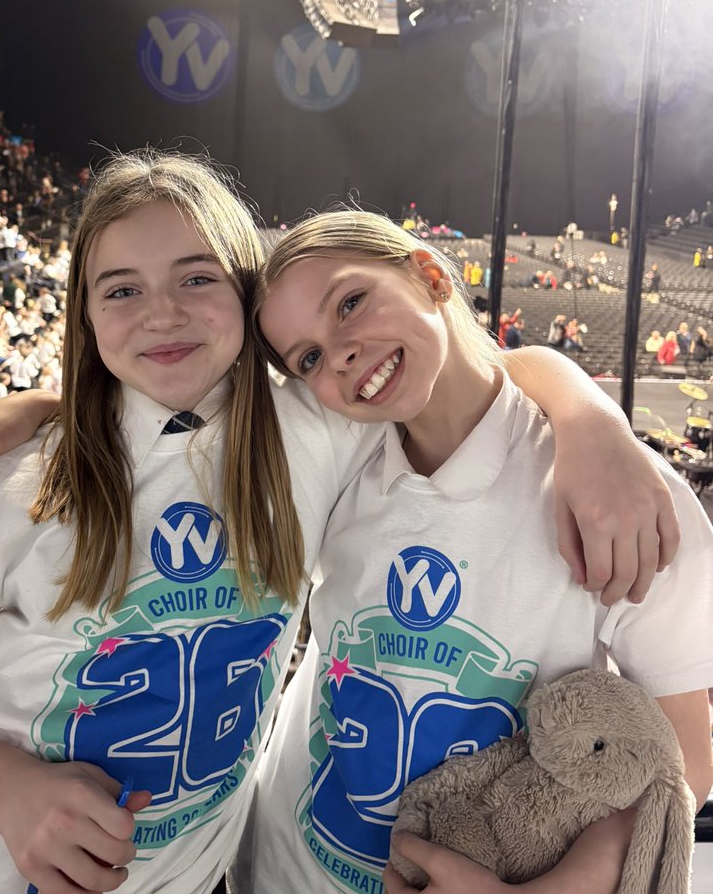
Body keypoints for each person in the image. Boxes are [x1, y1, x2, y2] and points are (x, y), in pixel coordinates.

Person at [0, 155, 679, 894]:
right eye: (305, 357)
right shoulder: (24, 480)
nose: (338, 358)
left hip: (211, 869)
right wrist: (54, 409)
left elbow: (455, 372)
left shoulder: (324, 431)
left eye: (197, 278)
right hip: (204, 867)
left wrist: (591, 420)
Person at [239, 210, 713, 894]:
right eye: (307, 357)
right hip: (286, 864)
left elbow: (682, 762)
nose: (338, 351)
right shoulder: (336, 452)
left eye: (350, 302)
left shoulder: (620, 497)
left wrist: (567, 886)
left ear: (431, 274)